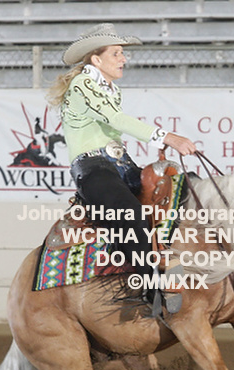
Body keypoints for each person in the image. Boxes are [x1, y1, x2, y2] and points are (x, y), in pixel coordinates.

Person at [47, 23, 197, 303]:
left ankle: (167, 259)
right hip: (93, 170)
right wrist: (167, 137)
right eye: (116, 53)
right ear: (96, 59)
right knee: (131, 214)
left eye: (122, 53)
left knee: (182, 187)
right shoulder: (83, 85)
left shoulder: (111, 89)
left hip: (120, 167)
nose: (123, 59)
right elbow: (115, 120)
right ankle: (152, 289)